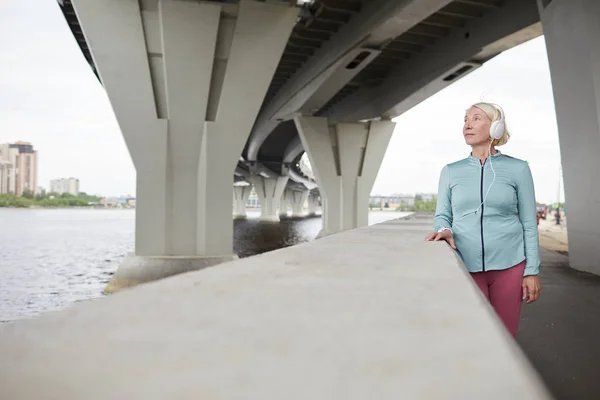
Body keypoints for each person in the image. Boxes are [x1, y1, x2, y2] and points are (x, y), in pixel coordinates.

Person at [424, 102, 541, 339]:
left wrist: (531, 271)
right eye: (465, 119)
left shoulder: (518, 169)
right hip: (465, 266)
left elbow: (529, 222)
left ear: (496, 126)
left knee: (505, 337)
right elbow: (442, 214)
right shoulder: (450, 171)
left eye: (476, 118)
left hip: (510, 265)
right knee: (471, 336)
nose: (467, 124)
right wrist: (444, 229)